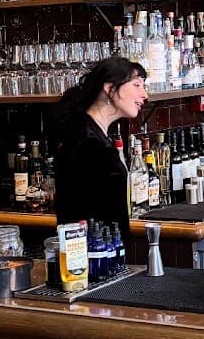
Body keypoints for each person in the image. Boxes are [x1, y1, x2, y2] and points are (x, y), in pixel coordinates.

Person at [53, 56, 148, 241]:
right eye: (137, 85)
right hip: (96, 252)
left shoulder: (94, 133)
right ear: (109, 88)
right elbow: (83, 213)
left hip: (102, 249)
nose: (144, 94)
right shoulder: (87, 141)